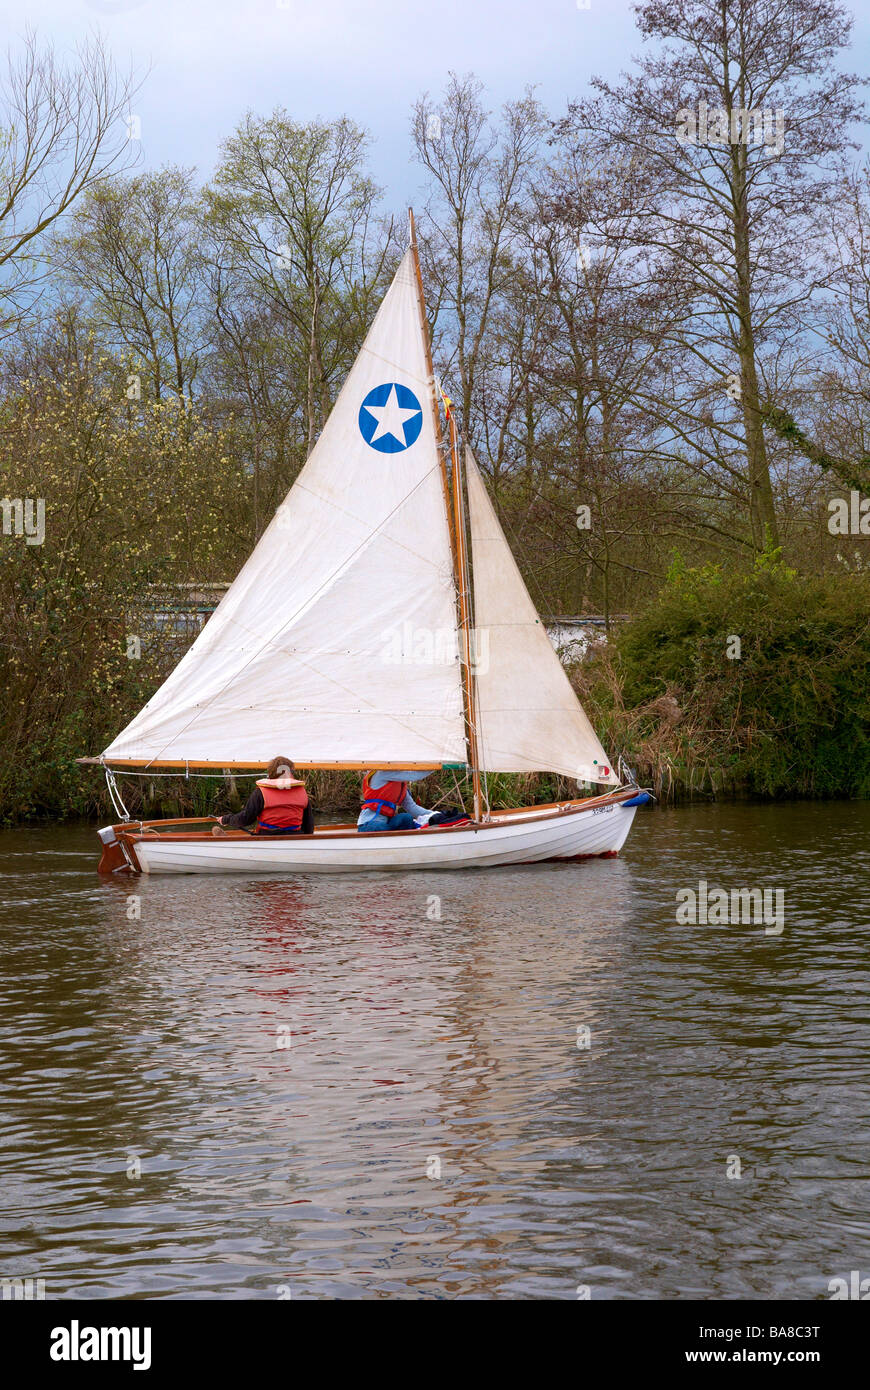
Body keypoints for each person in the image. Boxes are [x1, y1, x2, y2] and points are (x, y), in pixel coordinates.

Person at [213, 757, 313, 836]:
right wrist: (305, 841)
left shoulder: (260, 792)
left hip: (267, 837)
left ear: (271, 773)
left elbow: (246, 819)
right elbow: (308, 824)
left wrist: (226, 819)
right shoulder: (302, 792)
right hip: (295, 837)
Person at [358, 770, 433, 832]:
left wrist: (435, 815)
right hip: (369, 824)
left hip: (387, 823)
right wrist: (436, 766)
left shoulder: (399, 783)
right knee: (380, 827)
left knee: (406, 818)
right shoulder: (382, 773)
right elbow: (415, 775)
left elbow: (412, 808)